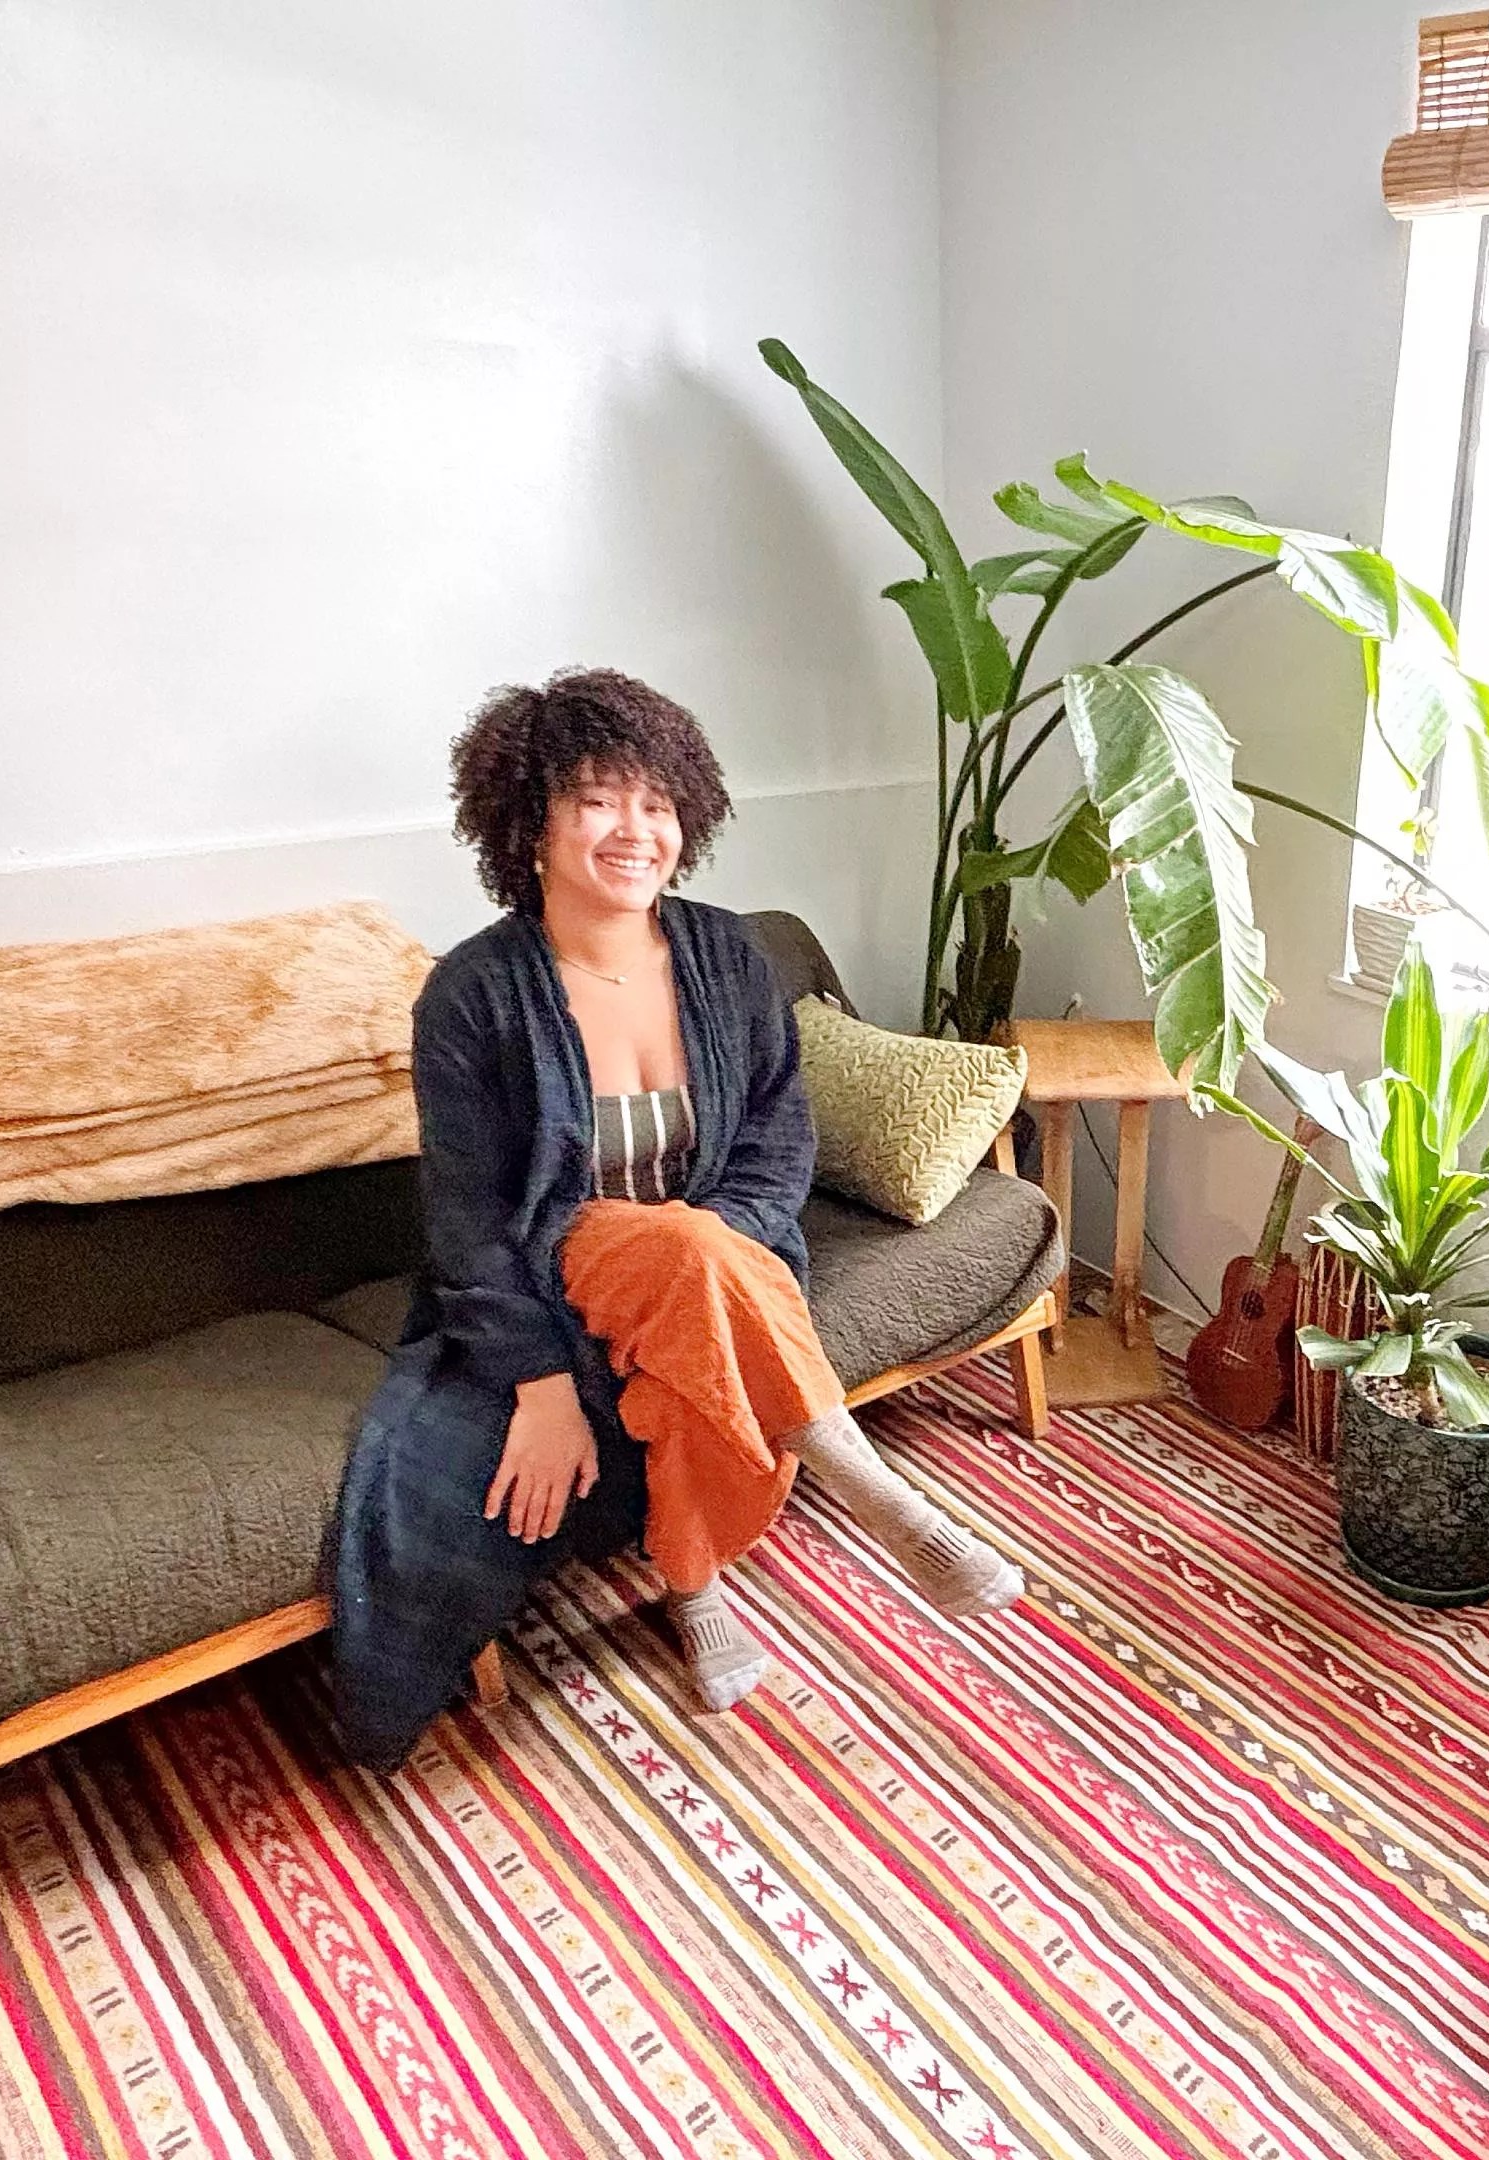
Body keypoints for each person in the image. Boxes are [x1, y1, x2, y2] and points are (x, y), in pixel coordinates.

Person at [330, 667, 1018, 1769]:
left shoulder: (727, 956)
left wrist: (717, 1242)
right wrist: (542, 1386)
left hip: (724, 1249)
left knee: (694, 1291)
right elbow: (464, 1216)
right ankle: (868, 1486)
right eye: (598, 799)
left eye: (657, 803)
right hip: (563, 1257)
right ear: (531, 820)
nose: (633, 829)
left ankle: (695, 1592)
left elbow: (777, 1140)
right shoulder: (472, 993)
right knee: (686, 1265)